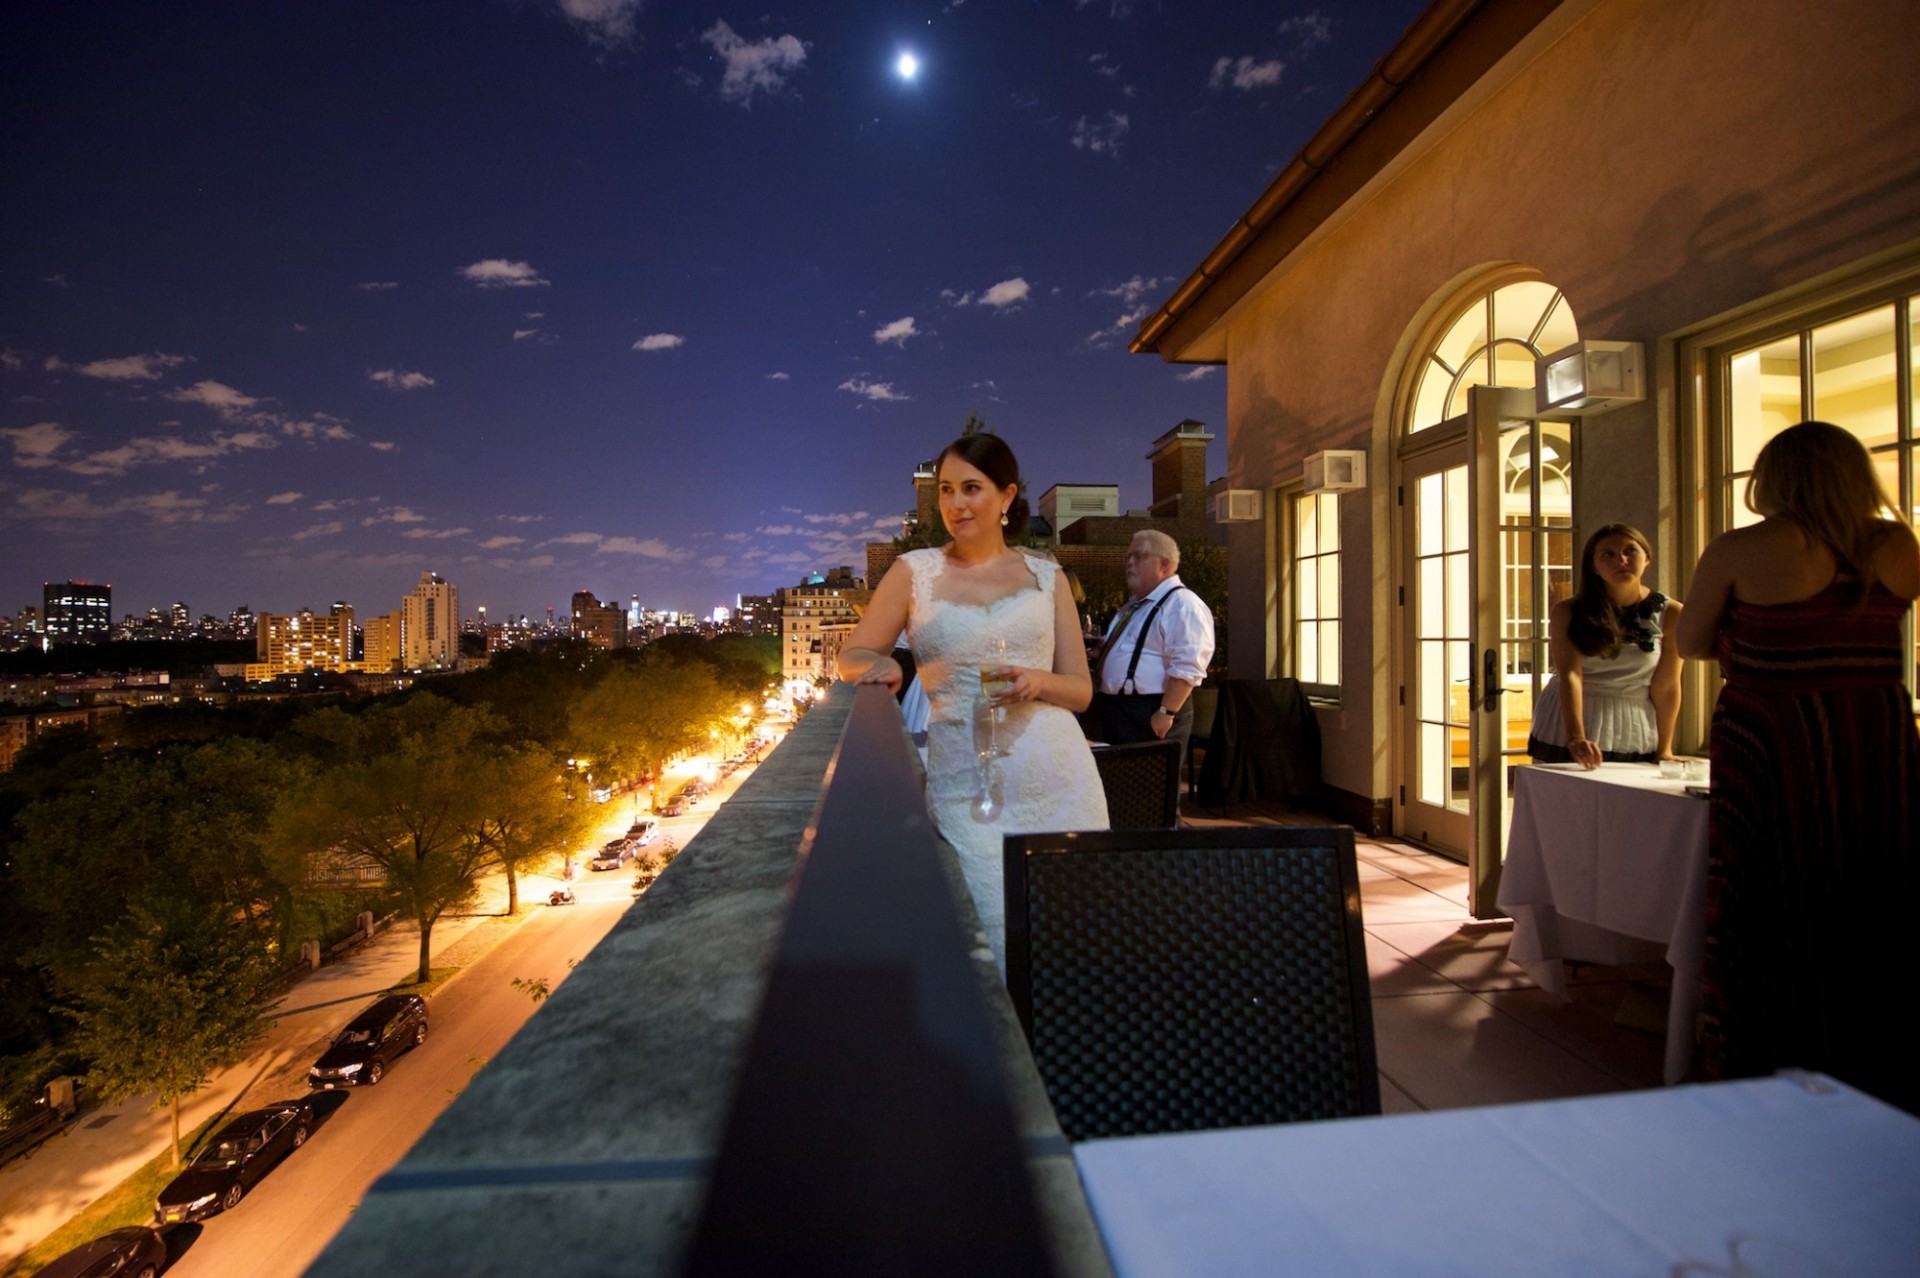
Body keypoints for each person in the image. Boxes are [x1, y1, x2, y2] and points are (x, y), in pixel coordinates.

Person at [1676, 420, 1919, 1112]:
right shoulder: (1895, 546)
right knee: (1877, 874)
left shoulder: (1741, 549)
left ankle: (1771, 1037)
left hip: (1773, 733)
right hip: (1871, 731)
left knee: (1772, 880)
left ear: (1773, 477)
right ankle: (1877, 1044)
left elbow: (1692, 642)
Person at [838, 432, 1109, 970]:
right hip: (969, 784)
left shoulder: (1047, 576)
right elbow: (854, 654)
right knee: (992, 941)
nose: (956, 504)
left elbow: (1080, 690)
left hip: (1059, 779)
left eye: (971, 488)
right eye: (946, 490)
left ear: (1007, 497)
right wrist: (885, 664)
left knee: (1073, 944)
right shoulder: (914, 572)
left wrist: (1037, 680)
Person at [1526, 523, 1685, 767]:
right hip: (1570, 716)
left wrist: (1664, 749)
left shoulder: (1671, 612)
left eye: (1630, 551)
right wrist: (1575, 736)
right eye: (1607, 554)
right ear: (1594, 566)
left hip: (1632, 720)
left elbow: (1667, 686)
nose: (1620, 560)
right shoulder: (1568, 612)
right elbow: (1571, 674)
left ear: (1647, 559)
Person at [1085, 530, 1216, 765]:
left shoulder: (1183, 605)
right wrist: (1103, 649)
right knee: (1123, 787)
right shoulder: (1137, 605)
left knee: (1151, 790)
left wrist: (1166, 712)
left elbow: (1189, 666)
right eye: (1128, 557)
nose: (1129, 563)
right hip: (1121, 711)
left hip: (1151, 712)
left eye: (1138, 556)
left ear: (1164, 564)